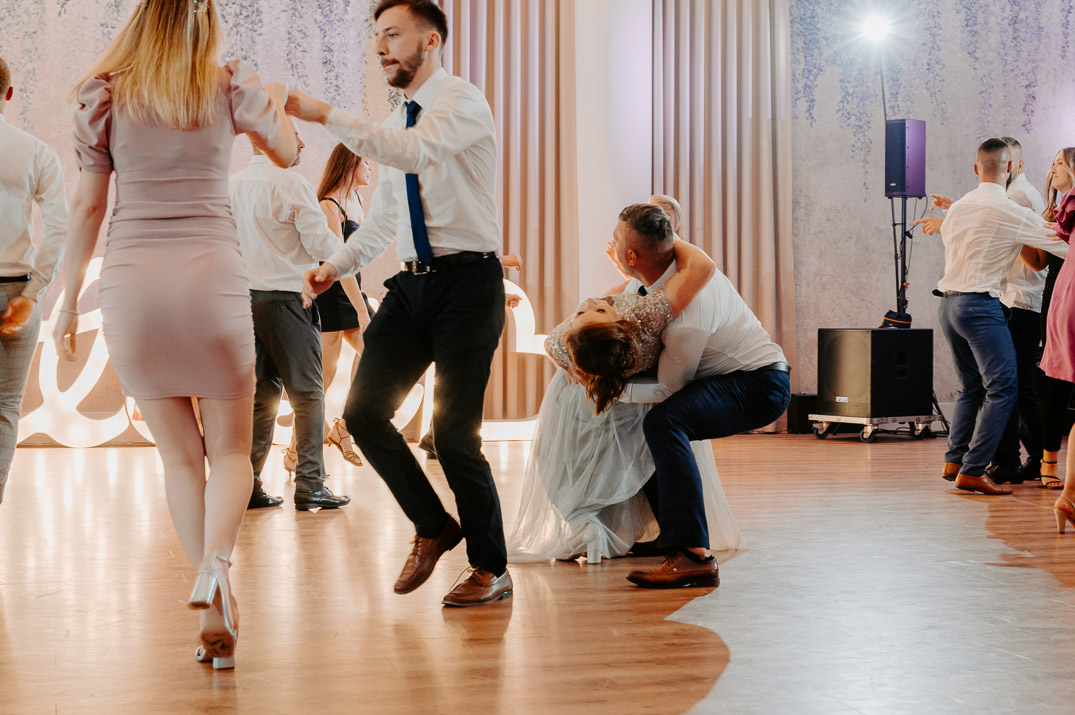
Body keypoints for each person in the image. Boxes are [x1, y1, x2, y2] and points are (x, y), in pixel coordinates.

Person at [54, 0, 298, 669]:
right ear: (204, 21)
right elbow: (285, 151)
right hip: (212, 279)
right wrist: (275, 104)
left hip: (134, 285)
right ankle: (217, 567)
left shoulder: (104, 94)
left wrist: (67, 302)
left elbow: (87, 205)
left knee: (179, 459)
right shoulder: (229, 84)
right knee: (232, 453)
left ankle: (216, 600)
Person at [287, 0, 511, 606]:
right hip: (411, 288)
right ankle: (433, 525)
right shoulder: (396, 119)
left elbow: (412, 153)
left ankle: (491, 568)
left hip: (468, 285)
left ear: (430, 41)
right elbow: (385, 218)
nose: (380, 47)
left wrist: (324, 114)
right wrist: (335, 266)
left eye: (392, 34)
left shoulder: (461, 102)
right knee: (362, 414)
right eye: (376, 37)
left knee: (454, 436)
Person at [508, 203, 744, 563]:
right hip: (616, 398)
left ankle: (588, 526)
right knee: (623, 465)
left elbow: (555, 340)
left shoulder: (615, 327)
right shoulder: (643, 313)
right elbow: (701, 267)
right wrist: (663, 243)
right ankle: (619, 530)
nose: (593, 301)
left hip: (585, 400)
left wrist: (568, 359)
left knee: (572, 466)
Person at [606, 203, 791, 589]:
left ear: (631, 256)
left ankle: (693, 556)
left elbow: (669, 388)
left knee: (665, 422)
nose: (611, 243)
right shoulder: (671, 274)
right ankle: (670, 536)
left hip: (760, 385)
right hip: (738, 377)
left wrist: (609, 389)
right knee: (652, 421)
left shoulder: (686, 317)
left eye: (615, 238)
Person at [913, 138, 1063, 497]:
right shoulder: (1010, 208)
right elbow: (1060, 246)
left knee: (971, 387)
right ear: (1010, 168)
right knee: (1004, 387)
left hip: (948, 306)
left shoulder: (962, 206)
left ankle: (954, 461)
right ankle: (973, 469)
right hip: (980, 308)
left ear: (976, 168)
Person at [229, 135, 351, 511]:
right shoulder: (292, 184)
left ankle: (248, 485)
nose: (302, 144)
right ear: (273, 140)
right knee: (309, 394)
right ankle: (311, 483)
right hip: (287, 300)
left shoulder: (233, 184)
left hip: (245, 300)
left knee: (262, 394)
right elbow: (321, 245)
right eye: (294, 135)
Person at [0, 55, 69, 507]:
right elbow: (59, 228)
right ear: (8, 93)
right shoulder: (36, 151)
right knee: (5, 406)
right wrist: (34, 293)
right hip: (15, 289)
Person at [282, 143, 374, 471]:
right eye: (366, 162)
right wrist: (362, 311)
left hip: (354, 294)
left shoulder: (357, 201)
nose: (371, 168)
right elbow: (339, 265)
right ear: (349, 164)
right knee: (325, 376)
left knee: (382, 360)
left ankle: (343, 427)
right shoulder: (328, 206)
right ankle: (294, 453)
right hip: (335, 299)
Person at [1039, 154, 1075, 532]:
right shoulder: (1064, 206)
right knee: (1055, 387)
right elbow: (1038, 259)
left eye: (1059, 164)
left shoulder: (1066, 208)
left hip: (1064, 297)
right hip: (1065, 298)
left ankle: (1069, 496)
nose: (1052, 171)